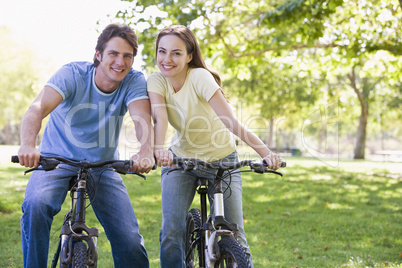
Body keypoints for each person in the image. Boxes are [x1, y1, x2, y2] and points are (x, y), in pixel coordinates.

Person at [17, 23, 154, 267]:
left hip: (103, 166)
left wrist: (145, 151)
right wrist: (28, 144)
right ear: (99, 54)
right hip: (55, 161)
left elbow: (142, 120)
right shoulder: (72, 74)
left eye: (127, 56)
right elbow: (36, 109)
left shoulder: (133, 81)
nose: (120, 62)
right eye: (113, 53)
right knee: (36, 205)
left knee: (129, 239)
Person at [147, 25, 283, 267]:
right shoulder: (156, 81)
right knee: (171, 233)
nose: (167, 59)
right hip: (181, 160)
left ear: (189, 56)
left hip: (223, 159)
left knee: (235, 233)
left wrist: (266, 153)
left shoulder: (199, 77)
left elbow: (231, 121)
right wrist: (158, 148)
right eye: (162, 51)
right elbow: (161, 118)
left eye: (176, 53)